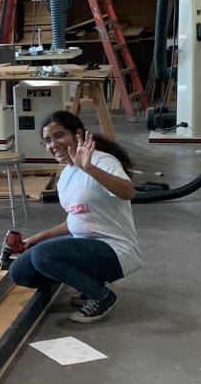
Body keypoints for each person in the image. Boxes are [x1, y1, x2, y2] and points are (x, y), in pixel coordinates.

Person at [8, 110, 142, 324]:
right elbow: (77, 218)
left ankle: (102, 296)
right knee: (20, 272)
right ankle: (88, 284)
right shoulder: (66, 174)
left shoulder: (102, 161)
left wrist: (88, 167)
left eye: (59, 136)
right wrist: (40, 237)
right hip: (84, 244)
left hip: (115, 250)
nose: (53, 144)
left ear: (78, 134)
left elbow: (128, 192)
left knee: (43, 255)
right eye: (48, 140)